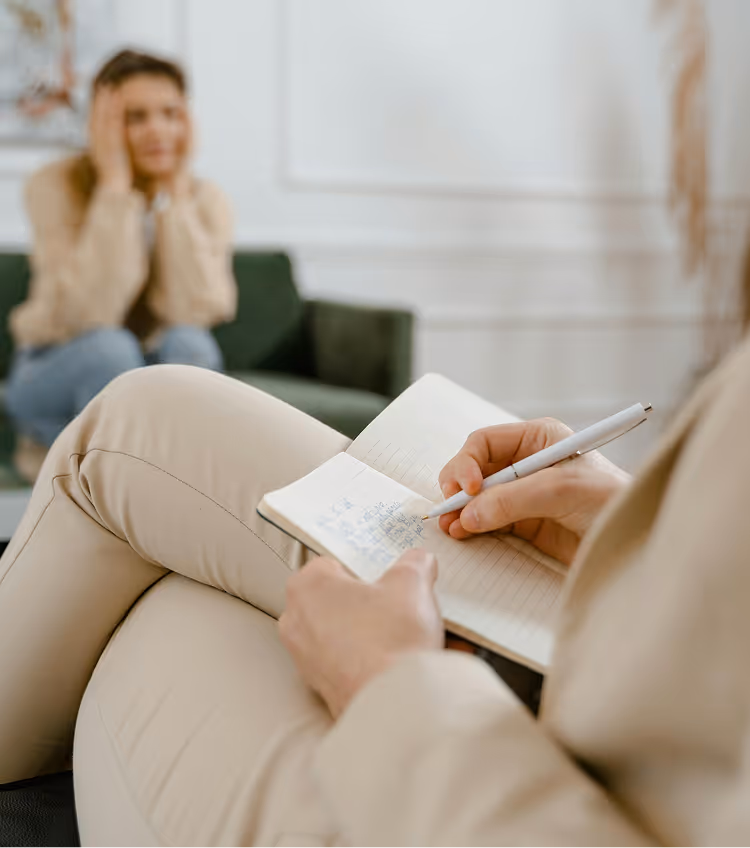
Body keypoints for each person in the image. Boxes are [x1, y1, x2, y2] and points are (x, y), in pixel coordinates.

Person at [0, 317, 748, 845]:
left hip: (486, 800)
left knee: (175, 589)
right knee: (140, 415)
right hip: (608, 684)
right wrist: (630, 526)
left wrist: (390, 684)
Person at [6, 49, 237, 481]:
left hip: (143, 379)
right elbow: (89, 314)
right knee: (110, 349)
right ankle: (122, 490)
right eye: (135, 117)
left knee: (190, 345)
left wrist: (178, 197)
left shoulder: (206, 199)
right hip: (52, 370)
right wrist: (114, 189)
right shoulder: (55, 185)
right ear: (100, 125)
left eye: (170, 114)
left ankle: (163, 487)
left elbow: (200, 309)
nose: (158, 131)